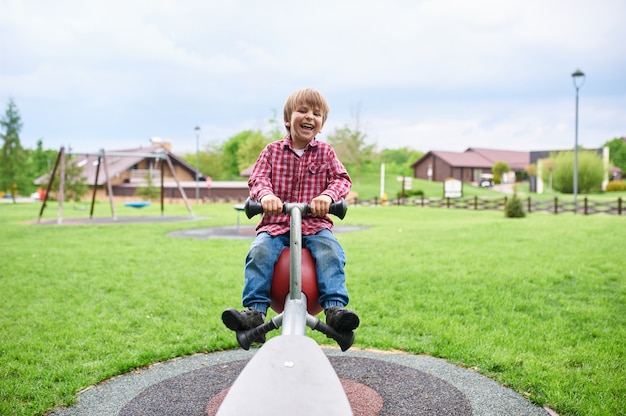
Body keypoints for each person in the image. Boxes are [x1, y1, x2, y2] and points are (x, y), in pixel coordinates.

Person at [222, 88, 359, 341]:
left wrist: (327, 197)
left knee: (331, 251)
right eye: (303, 111)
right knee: (259, 251)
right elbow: (258, 179)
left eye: (316, 114)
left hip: (315, 225)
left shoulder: (326, 153)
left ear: (321, 125)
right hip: (276, 224)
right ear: (288, 119)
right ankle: (254, 311)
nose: (310, 117)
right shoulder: (272, 151)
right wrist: (266, 197)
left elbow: (341, 179)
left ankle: (334, 309)